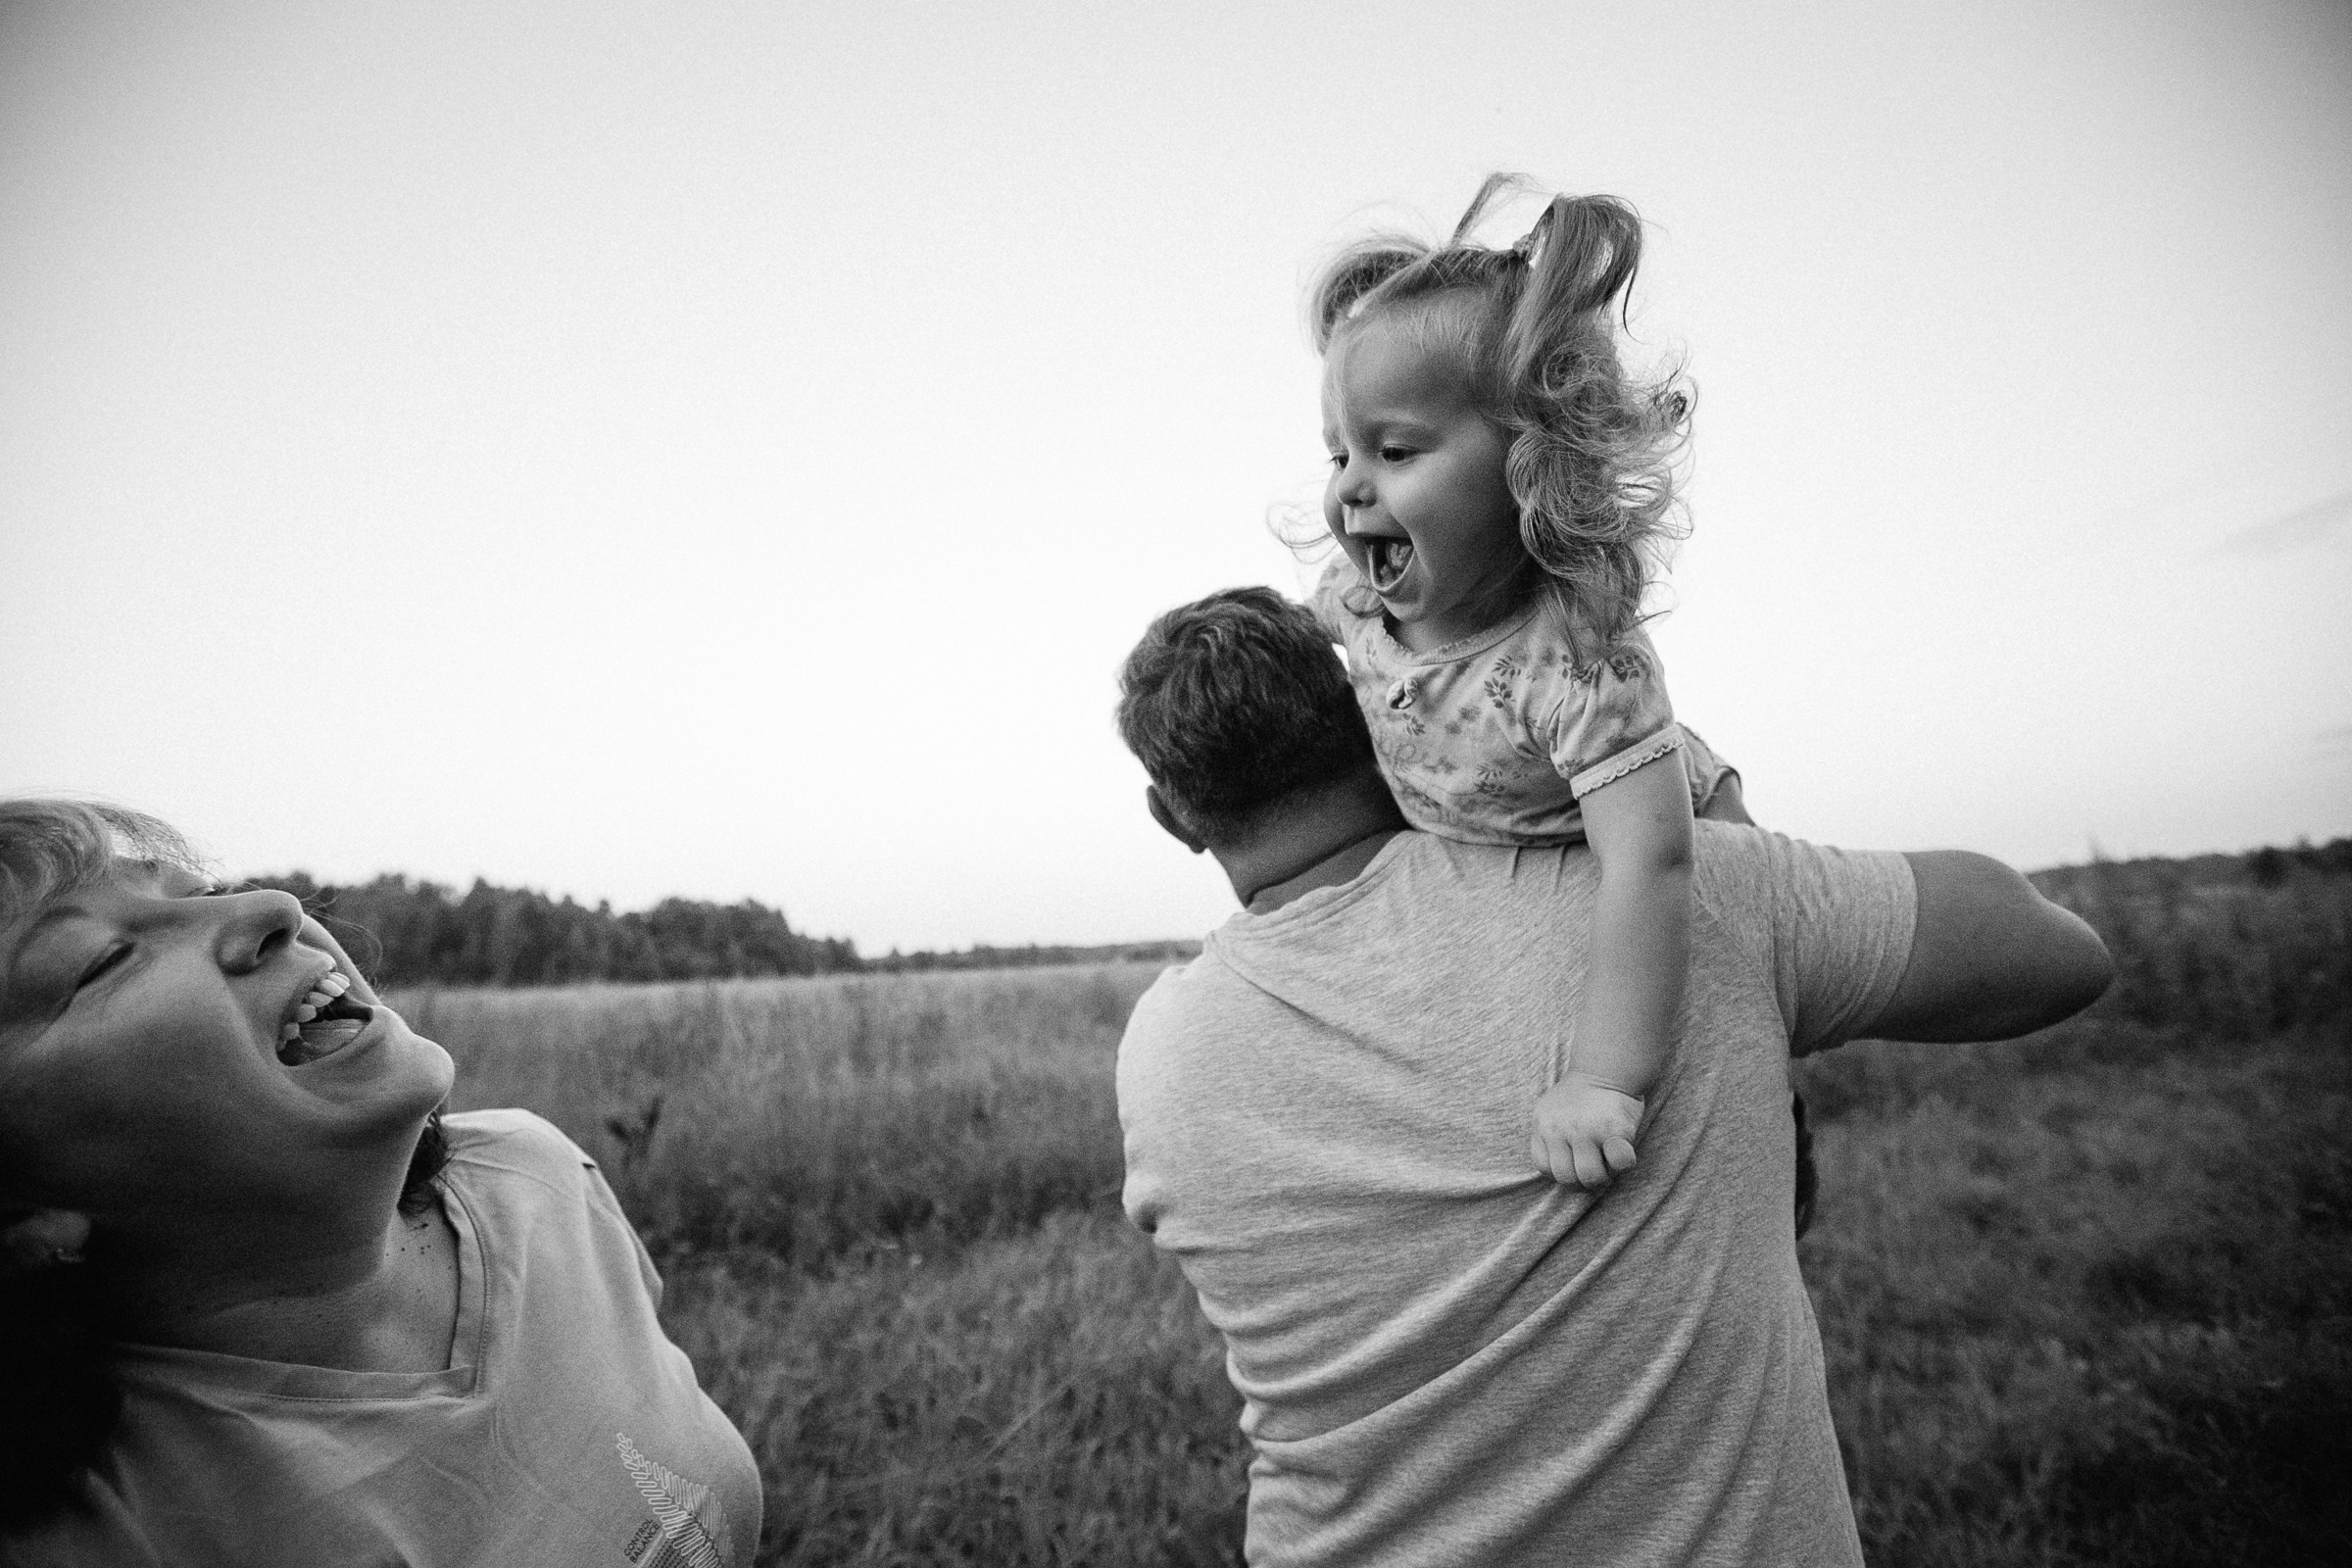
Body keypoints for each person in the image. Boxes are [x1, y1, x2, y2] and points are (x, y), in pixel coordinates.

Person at [1113, 589, 2112, 1567]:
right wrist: (1646, 762)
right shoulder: (1674, 905)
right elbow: (2054, 953)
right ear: (1378, 717)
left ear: (1175, 817)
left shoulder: (1160, 1058)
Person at [0, 799, 760, 1567]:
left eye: (198, 894)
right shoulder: (103, 1535)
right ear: (26, 1205)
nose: (273, 905)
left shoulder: (538, 1173)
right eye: (99, 961)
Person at [1307, 173, 1735, 1190]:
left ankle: (1776, 1126)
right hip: (1497, 832)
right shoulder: (1360, 599)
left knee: (1731, 1005)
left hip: (1673, 813)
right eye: (1338, 453)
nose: (1350, 487)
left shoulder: (1582, 660)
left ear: (1530, 459)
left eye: (1395, 449)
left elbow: (1651, 867)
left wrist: (1602, 1076)